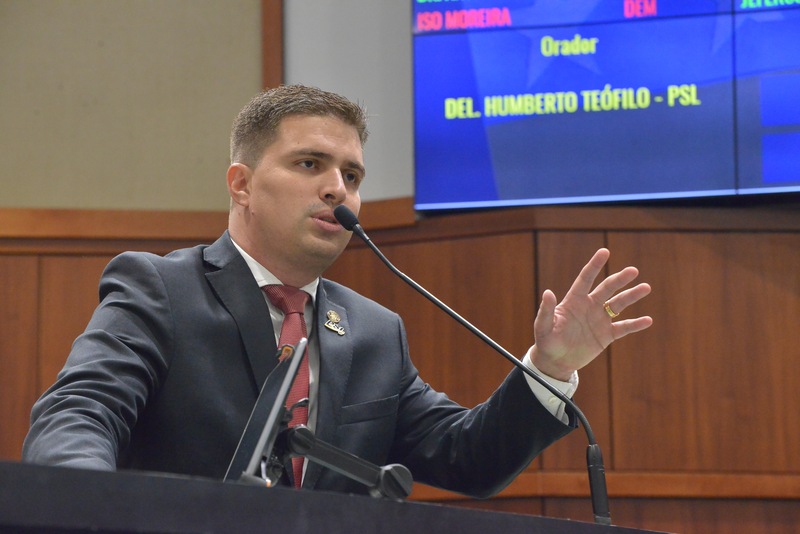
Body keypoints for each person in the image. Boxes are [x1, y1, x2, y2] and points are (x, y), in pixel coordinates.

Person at [22, 85, 652, 497]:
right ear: (241, 184)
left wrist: (551, 367)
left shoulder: (374, 331)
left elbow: (468, 458)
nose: (338, 189)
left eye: (352, 175)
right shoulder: (160, 288)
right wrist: (91, 505)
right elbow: (80, 412)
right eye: (309, 164)